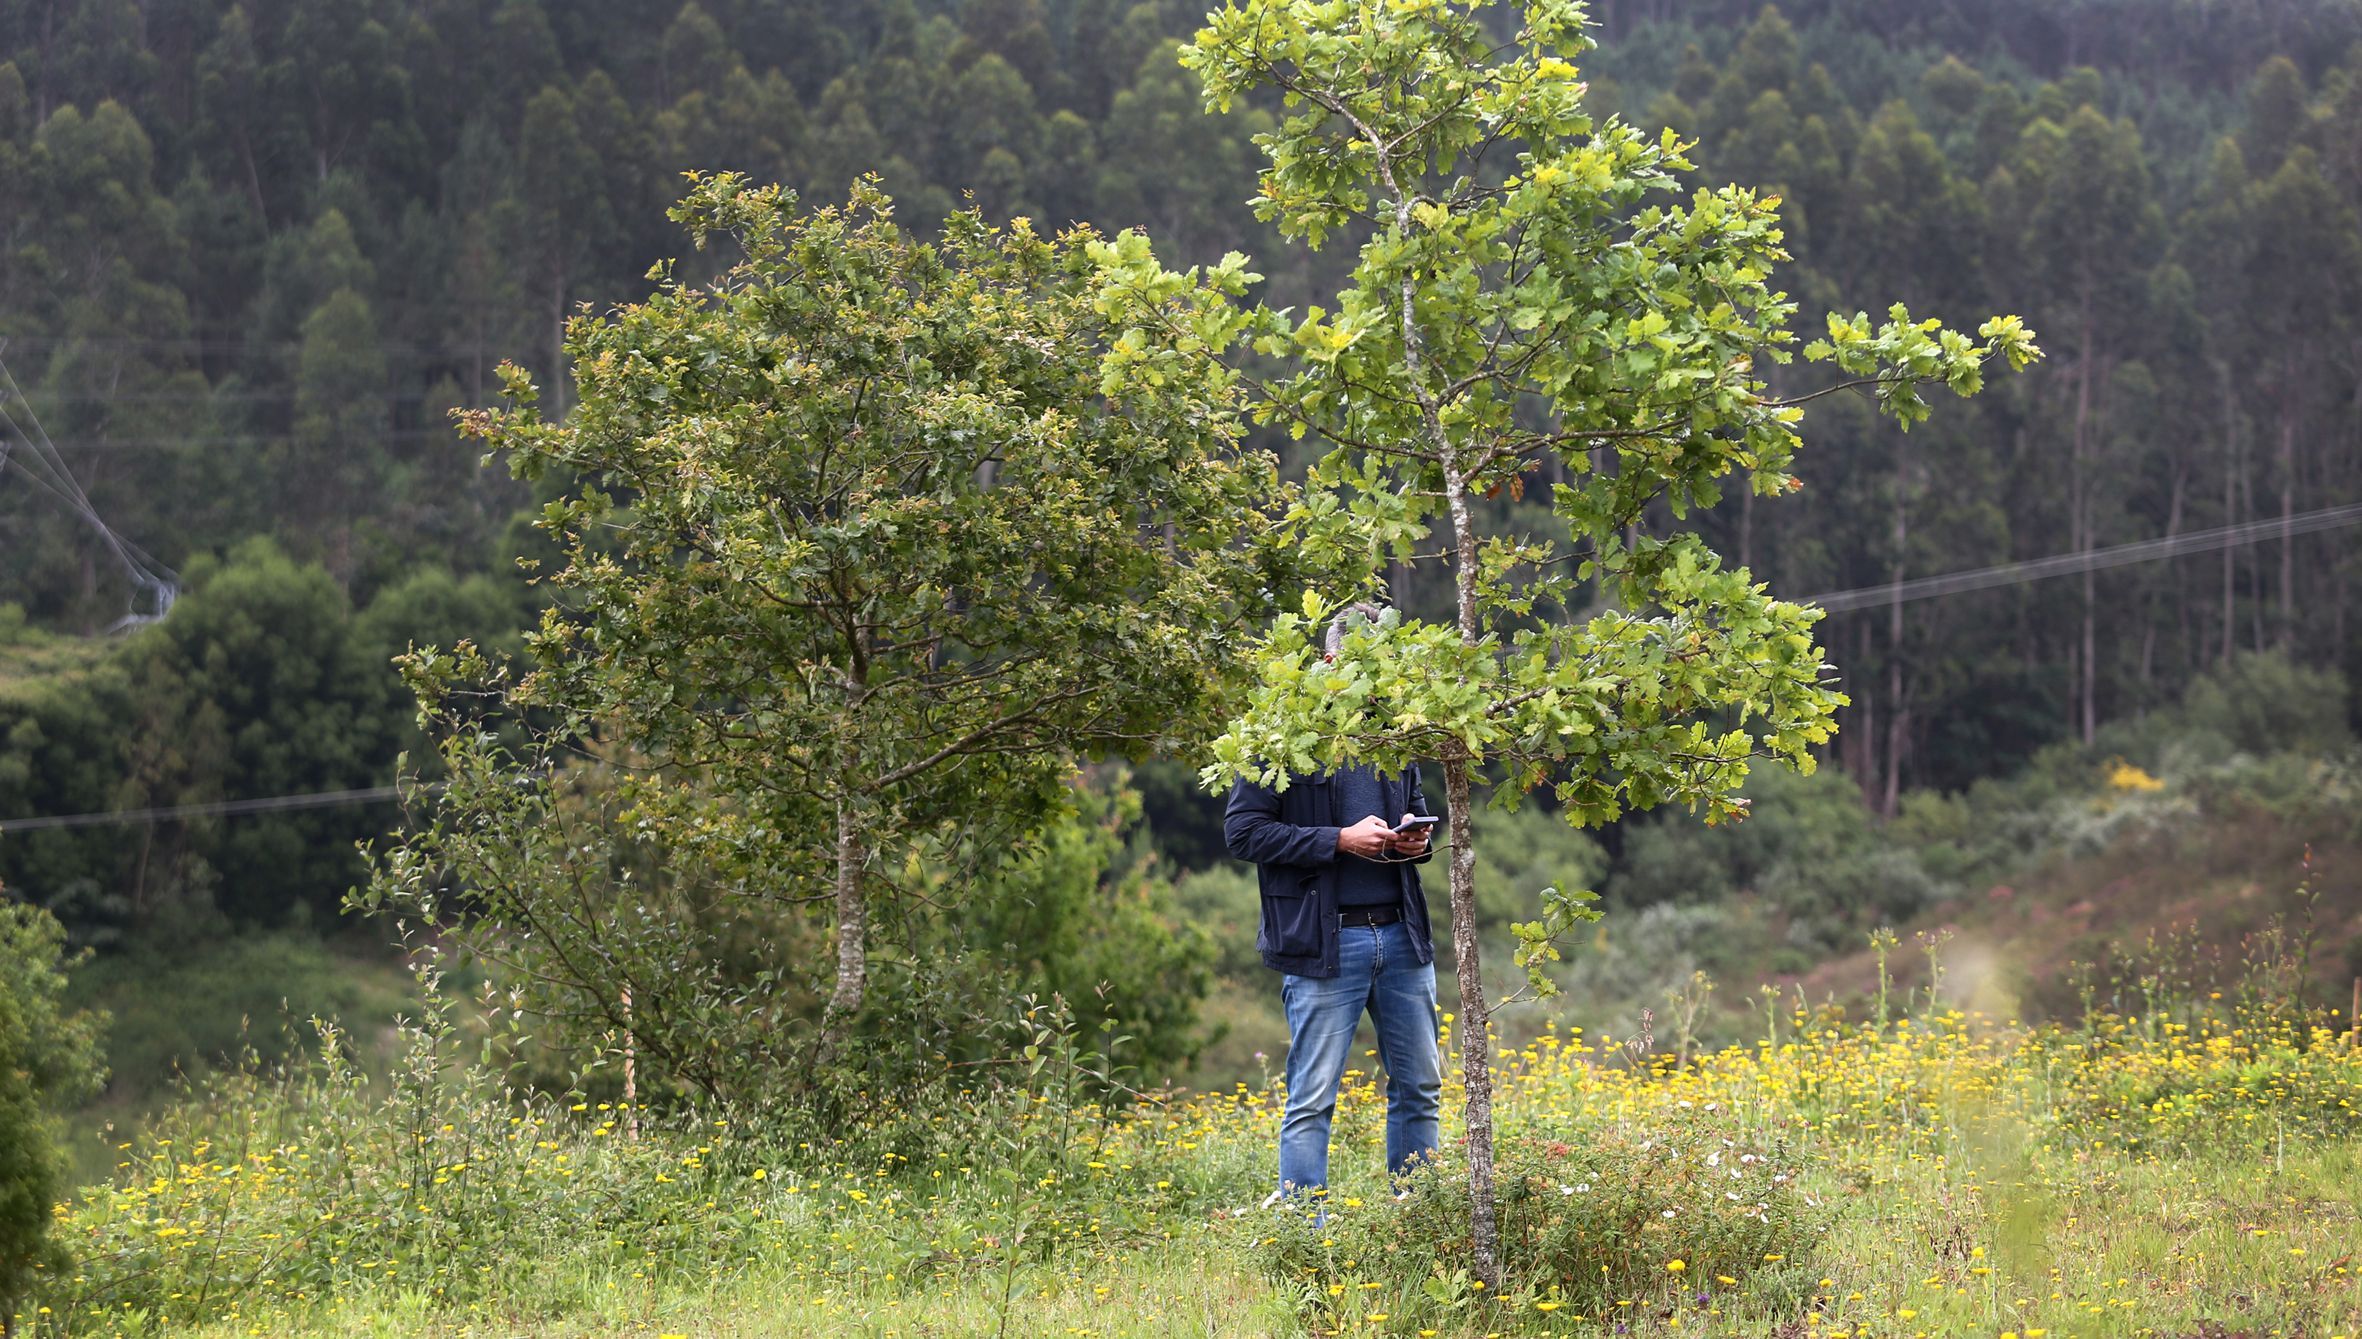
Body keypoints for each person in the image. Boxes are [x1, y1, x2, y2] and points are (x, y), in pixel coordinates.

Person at [1222, 602, 1444, 1211]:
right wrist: (1338, 840)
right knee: (1312, 1098)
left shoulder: (1394, 731)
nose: (1374, 679)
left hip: (1402, 935)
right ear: (1330, 659)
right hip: (1324, 944)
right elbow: (1242, 832)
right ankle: (1304, 1239)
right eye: (1363, 665)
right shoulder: (1282, 732)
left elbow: (1421, 806)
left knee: (1421, 1087)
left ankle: (1420, 1221)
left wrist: (1415, 837)